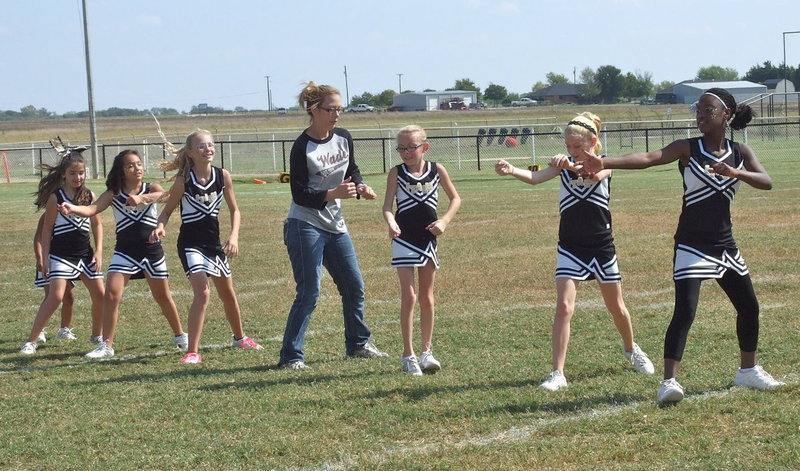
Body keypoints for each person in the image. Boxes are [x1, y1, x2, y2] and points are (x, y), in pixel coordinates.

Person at [580, 88, 785, 404]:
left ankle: (747, 371)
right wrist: (603, 161)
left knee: (749, 307)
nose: (701, 115)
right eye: (699, 110)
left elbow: (767, 181)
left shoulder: (740, 151)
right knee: (685, 311)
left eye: (708, 109)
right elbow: (649, 158)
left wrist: (735, 171)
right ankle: (669, 382)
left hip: (725, 246)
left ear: (726, 114)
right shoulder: (688, 148)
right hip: (691, 245)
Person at [495, 112, 654, 391]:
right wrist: (513, 170)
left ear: (593, 142)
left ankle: (631, 349)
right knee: (564, 307)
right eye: (568, 146)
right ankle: (558, 373)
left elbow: (592, 176)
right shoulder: (563, 165)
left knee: (617, 308)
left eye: (577, 147)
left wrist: (567, 164)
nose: (572, 151)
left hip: (602, 247)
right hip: (570, 247)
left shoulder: (606, 165)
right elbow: (535, 177)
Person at [279, 81, 388, 370]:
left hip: (335, 225)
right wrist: (333, 194)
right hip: (304, 225)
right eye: (331, 109)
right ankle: (291, 356)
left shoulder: (343, 136)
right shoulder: (302, 145)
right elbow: (299, 193)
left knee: (354, 286)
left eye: (340, 109)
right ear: (314, 110)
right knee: (309, 292)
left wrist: (361, 185)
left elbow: (351, 169)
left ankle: (358, 344)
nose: (337, 115)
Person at [59, 150, 188, 359]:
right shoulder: (114, 194)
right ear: (122, 170)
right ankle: (107, 345)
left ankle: (180, 335)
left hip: (151, 251)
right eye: (130, 166)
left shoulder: (150, 187)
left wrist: (141, 198)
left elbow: (165, 195)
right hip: (125, 253)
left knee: (163, 297)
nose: (136, 168)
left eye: (138, 164)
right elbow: (92, 209)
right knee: (111, 295)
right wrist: (72, 208)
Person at [150, 128, 262, 364]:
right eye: (201, 146)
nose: (207, 149)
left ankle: (240, 338)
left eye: (210, 145)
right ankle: (192, 351)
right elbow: (167, 211)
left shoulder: (223, 176)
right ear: (190, 153)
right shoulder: (183, 181)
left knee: (228, 294)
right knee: (203, 293)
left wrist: (233, 237)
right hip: (191, 244)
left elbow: (235, 210)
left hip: (214, 244)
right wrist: (160, 227)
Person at [381, 125, 461, 375]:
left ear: (424, 147)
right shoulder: (396, 173)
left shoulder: (437, 170)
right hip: (404, 240)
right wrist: (391, 223)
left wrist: (444, 221)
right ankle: (408, 354)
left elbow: (455, 199)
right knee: (410, 296)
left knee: (427, 297)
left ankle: (427, 352)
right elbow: (387, 206)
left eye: (411, 147)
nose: (406, 152)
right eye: (401, 148)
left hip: (428, 239)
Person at [21, 149, 105, 354]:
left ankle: (97, 335)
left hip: (85, 255)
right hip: (61, 255)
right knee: (56, 296)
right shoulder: (55, 198)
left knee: (101, 296)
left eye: (81, 173)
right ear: (64, 175)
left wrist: (99, 251)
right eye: (73, 173)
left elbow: (97, 225)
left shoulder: (89, 195)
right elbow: (47, 230)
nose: (78, 177)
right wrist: (46, 259)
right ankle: (31, 341)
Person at [33, 213, 77, 343]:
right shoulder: (47, 215)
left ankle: (64, 329)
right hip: (50, 261)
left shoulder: (73, 214)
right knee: (51, 297)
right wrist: (40, 258)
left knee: (69, 296)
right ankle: (39, 331)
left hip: (66, 259)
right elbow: (38, 238)